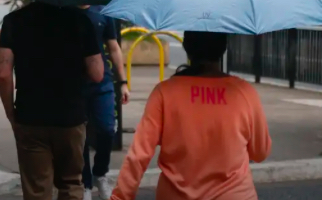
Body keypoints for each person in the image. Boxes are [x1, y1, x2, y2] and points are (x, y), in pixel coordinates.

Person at [111, 31, 272, 200]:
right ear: (223, 48)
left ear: (187, 48)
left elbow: (139, 155)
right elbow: (260, 153)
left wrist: (120, 197)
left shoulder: (165, 92)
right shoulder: (245, 93)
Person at [0, 2, 104, 200]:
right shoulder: (81, 21)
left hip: (30, 116)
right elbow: (97, 74)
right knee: (71, 182)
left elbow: (4, 74)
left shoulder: (15, 20)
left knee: (37, 187)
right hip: (71, 117)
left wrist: (11, 113)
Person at [77, 5, 130, 200]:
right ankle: (86, 183)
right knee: (79, 134)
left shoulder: (103, 12)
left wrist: (123, 82)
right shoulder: (67, 12)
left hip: (102, 82)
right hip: (76, 84)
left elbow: (113, 46)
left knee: (107, 128)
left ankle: (101, 173)